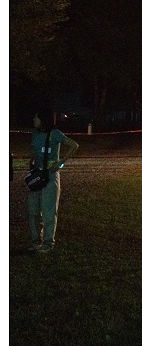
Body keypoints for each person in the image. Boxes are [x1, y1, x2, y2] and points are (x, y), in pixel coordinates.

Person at [28, 107, 79, 252]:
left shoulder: (55, 134)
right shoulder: (35, 133)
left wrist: (60, 163)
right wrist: (32, 163)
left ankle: (48, 243)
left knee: (49, 211)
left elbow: (74, 145)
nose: (33, 120)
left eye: (36, 117)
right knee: (33, 211)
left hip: (50, 177)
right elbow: (34, 152)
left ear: (43, 119)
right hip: (36, 175)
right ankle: (36, 242)